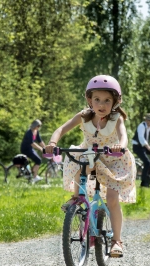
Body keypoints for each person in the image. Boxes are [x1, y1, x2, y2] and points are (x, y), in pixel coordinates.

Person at [45, 75, 136, 258]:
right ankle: (78, 198)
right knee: (77, 155)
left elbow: (123, 135)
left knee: (111, 199)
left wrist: (121, 145)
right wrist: (53, 143)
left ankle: (116, 240)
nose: (101, 104)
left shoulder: (116, 119)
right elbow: (61, 129)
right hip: (91, 156)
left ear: (115, 102)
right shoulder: (84, 116)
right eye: (97, 99)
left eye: (107, 100)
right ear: (89, 100)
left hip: (113, 160)